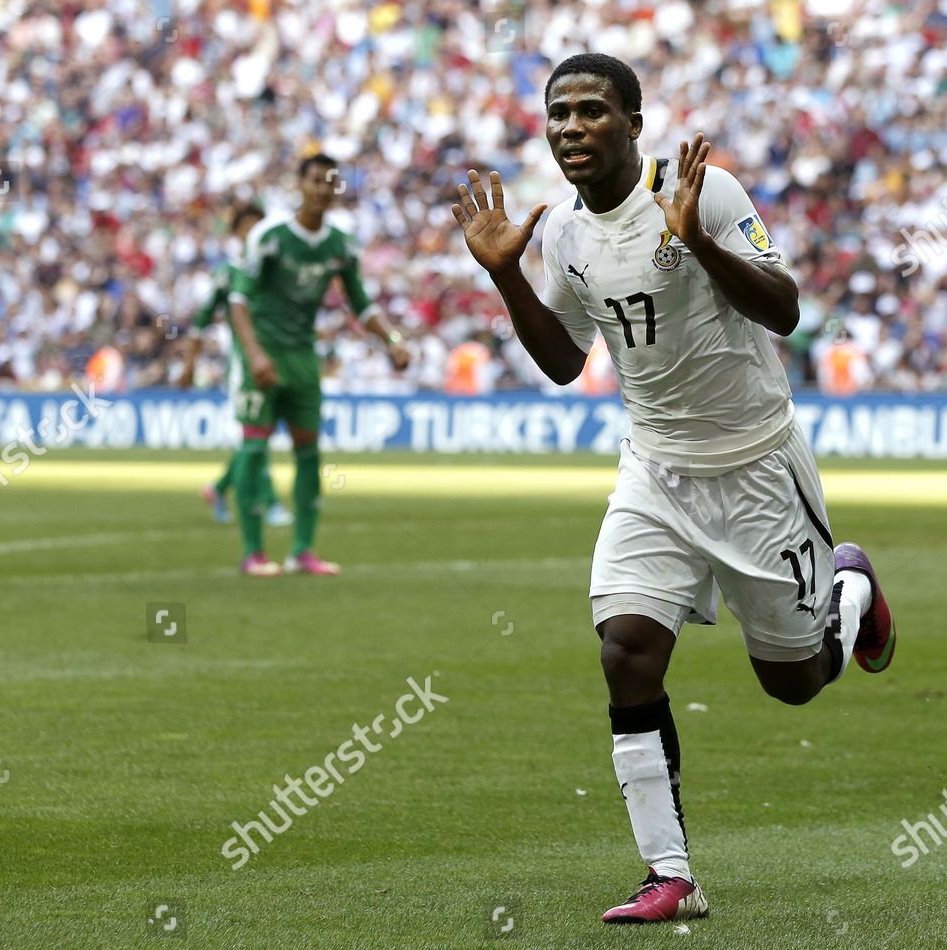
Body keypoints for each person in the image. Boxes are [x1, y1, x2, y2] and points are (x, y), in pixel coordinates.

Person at [450, 53, 898, 924]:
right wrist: (506, 273)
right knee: (625, 648)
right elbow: (560, 361)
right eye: (558, 114)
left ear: (634, 122)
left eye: (591, 111)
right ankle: (672, 875)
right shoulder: (565, 235)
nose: (571, 127)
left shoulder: (707, 192)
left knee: (795, 683)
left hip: (757, 467)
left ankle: (849, 593)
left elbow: (785, 308)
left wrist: (695, 239)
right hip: (653, 466)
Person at [227, 153, 410, 576]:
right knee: (254, 448)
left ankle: (302, 550)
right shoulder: (269, 235)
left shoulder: (339, 244)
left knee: (308, 452)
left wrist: (393, 341)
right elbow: (238, 300)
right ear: (300, 185)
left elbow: (359, 302)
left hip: (304, 358)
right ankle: (254, 551)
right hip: (264, 353)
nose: (324, 189)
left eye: (332, 182)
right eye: (316, 181)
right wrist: (254, 354)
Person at [177, 202, 291, 528]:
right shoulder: (228, 273)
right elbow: (200, 321)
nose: (255, 234)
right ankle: (269, 504)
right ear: (237, 233)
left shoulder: (273, 271)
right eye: (248, 227)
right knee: (257, 436)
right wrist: (188, 365)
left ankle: (219, 487)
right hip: (244, 364)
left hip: (276, 359)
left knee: (258, 436)